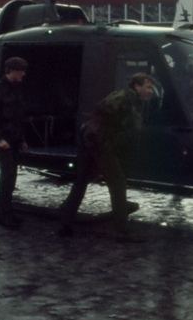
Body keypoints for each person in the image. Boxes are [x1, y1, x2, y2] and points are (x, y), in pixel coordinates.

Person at [58, 72, 156, 240]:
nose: (151, 91)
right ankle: (122, 231)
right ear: (137, 86)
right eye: (148, 87)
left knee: (81, 180)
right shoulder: (132, 100)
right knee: (117, 182)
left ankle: (65, 224)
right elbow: (133, 131)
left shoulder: (119, 93)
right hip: (100, 140)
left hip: (87, 135)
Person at [0, 56, 28, 229]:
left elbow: (18, 116)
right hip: (4, 141)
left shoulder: (15, 89)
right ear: (12, 70)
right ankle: (3, 215)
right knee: (7, 178)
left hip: (14, 140)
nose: (23, 74)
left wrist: (22, 139)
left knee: (12, 178)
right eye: (21, 70)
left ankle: (8, 212)